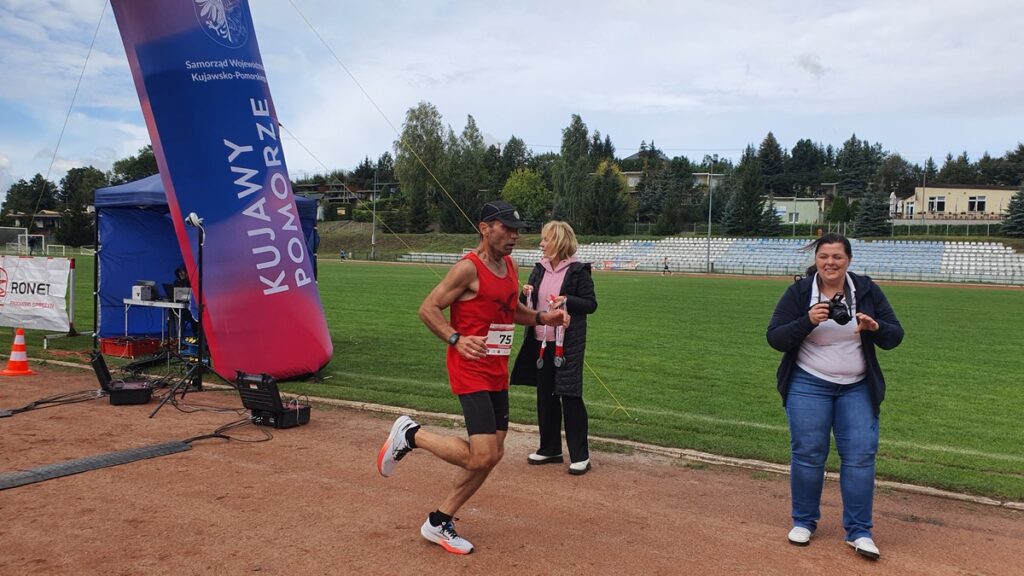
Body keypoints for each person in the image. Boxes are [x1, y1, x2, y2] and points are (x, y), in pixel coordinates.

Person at [376, 200, 569, 555]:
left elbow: (510, 311)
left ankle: (439, 521)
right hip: (470, 368)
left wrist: (544, 318)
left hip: (496, 368)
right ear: (485, 228)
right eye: (506, 229)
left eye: (517, 230)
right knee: (481, 455)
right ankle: (411, 434)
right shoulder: (468, 268)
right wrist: (456, 338)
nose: (514, 236)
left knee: (492, 454)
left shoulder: (509, 266)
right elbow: (428, 308)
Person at [766, 233, 904, 560]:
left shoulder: (867, 290)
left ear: (849, 260)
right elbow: (775, 337)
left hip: (857, 385)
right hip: (808, 383)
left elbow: (895, 335)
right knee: (809, 452)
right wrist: (807, 321)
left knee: (860, 455)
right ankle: (804, 522)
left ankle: (859, 531)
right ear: (816, 259)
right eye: (824, 256)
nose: (830, 262)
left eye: (837, 257)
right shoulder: (800, 292)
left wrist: (875, 327)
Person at [510, 221, 597, 475]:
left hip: (567, 344)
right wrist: (524, 292)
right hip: (540, 341)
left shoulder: (579, 271)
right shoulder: (539, 269)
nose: (541, 244)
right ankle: (550, 448)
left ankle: (580, 455)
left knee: (570, 396)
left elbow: (591, 304)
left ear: (558, 242)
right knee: (545, 396)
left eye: (545, 239)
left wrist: (566, 300)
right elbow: (529, 303)